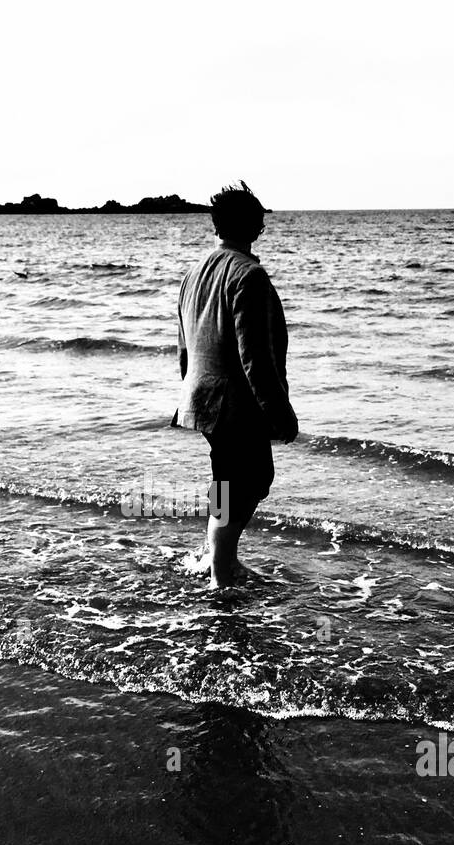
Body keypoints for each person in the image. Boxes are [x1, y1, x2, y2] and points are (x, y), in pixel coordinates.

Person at [173, 182, 298, 588]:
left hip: (200, 398)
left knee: (228, 479)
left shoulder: (193, 274)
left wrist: (189, 395)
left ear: (216, 225)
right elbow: (254, 357)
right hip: (234, 404)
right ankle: (220, 572)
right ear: (258, 227)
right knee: (251, 481)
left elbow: (184, 347)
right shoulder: (249, 275)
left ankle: (217, 559)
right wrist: (280, 413)